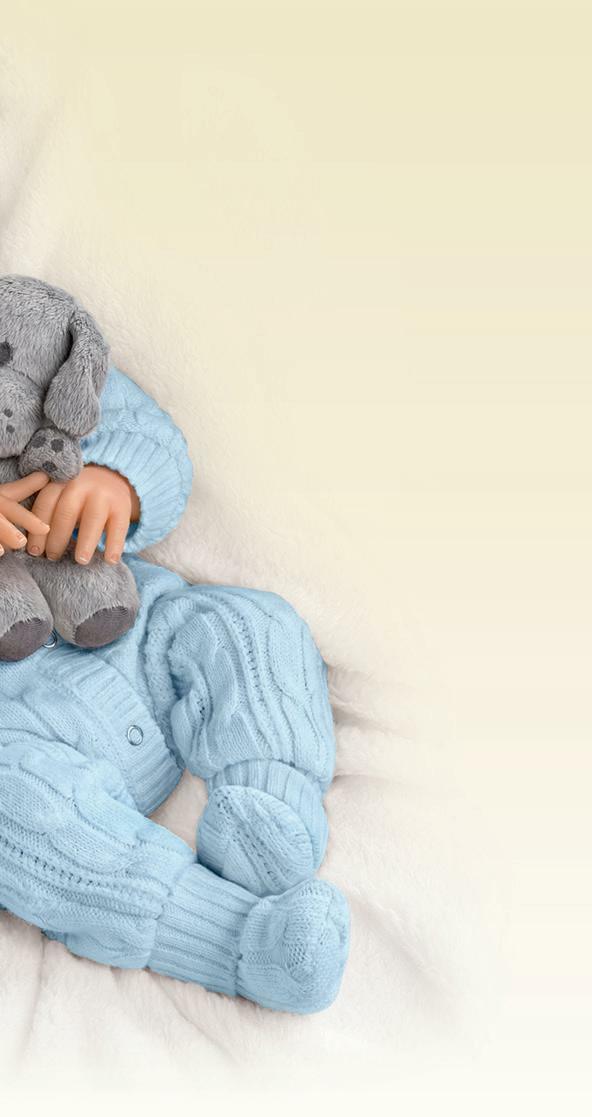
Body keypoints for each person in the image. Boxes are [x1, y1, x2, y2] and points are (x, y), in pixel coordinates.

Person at [0, 368, 349, 1013]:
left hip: (128, 626)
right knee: (21, 820)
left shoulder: (27, 348)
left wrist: (113, 482)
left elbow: (143, 432)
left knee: (251, 626)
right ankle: (238, 943)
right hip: (19, 729)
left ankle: (271, 804)